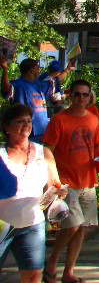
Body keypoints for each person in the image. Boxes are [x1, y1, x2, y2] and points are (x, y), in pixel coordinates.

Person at [43, 79, 99, 283]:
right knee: (71, 226)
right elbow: (47, 151)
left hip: (88, 180)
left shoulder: (93, 120)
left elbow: (98, 147)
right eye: (77, 94)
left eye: (84, 94)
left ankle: (68, 271)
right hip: (65, 182)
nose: (80, 98)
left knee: (82, 227)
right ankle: (51, 262)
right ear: (70, 95)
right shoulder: (59, 120)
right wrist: (52, 179)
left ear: (90, 97)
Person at [0, 104, 66, 283]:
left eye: (29, 121)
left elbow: (53, 185)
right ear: (6, 126)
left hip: (33, 225)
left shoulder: (43, 152)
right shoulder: (0, 154)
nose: (26, 125)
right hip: (2, 224)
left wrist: (57, 192)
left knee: (33, 276)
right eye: (20, 121)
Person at [2, 58, 58, 144]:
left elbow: (56, 78)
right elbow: (6, 90)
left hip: (42, 130)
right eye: (37, 67)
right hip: (23, 132)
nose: (39, 70)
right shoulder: (18, 85)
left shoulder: (39, 84)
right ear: (31, 70)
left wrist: (68, 70)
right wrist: (5, 69)